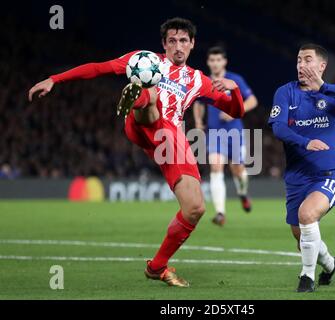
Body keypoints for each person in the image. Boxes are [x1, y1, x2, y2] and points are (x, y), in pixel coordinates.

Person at [28, 17, 245, 288]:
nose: (178, 46)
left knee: (195, 208)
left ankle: (156, 267)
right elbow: (99, 68)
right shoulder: (143, 60)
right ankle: (137, 96)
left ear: (192, 44)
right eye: (172, 41)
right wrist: (54, 79)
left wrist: (235, 92)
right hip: (142, 124)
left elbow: (236, 111)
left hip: (170, 140)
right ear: (164, 44)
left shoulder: (198, 80)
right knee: (151, 93)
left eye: (183, 41)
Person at [268, 44, 335, 292]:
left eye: (307, 60)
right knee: (302, 238)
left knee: (308, 215)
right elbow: (278, 127)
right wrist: (305, 142)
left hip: (328, 175)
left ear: (321, 66)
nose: (301, 65)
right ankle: (331, 265)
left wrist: (323, 87)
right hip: (296, 178)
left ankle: (307, 278)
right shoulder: (285, 92)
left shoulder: (332, 96)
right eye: (299, 60)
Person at [193, 47, 257, 226]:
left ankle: (243, 193)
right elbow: (197, 103)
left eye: (218, 60)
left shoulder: (235, 80)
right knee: (215, 167)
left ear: (224, 62)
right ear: (208, 62)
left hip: (234, 132)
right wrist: (198, 121)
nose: (215, 63)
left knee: (238, 169)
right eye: (212, 60)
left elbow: (252, 101)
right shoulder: (204, 82)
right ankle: (220, 212)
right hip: (214, 133)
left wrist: (234, 112)